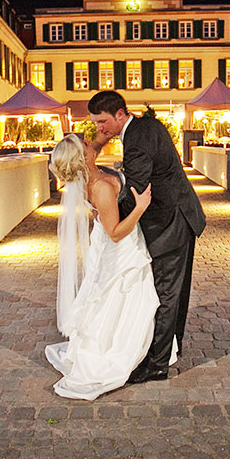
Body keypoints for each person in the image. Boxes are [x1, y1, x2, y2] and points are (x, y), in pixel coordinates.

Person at [88, 90, 206, 383]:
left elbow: (137, 189)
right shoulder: (144, 126)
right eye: (95, 124)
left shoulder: (137, 141)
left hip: (169, 223)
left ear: (119, 114)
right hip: (180, 215)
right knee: (175, 293)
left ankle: (156, 366)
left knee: (166, 293)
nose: (99, 129)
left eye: (102, 122)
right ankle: (169, 350)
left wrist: (107, 210)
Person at [45, 134, 160, 400]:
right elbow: (117, 232)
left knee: (103, 294)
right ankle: (113, 352)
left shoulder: (85, 180)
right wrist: (140, 207)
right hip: (119, 248)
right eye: (86, 146)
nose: (91, 146)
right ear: (82, 157)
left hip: (102, 242)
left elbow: (100, 213)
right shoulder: (100, 187)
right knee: (121, 296)